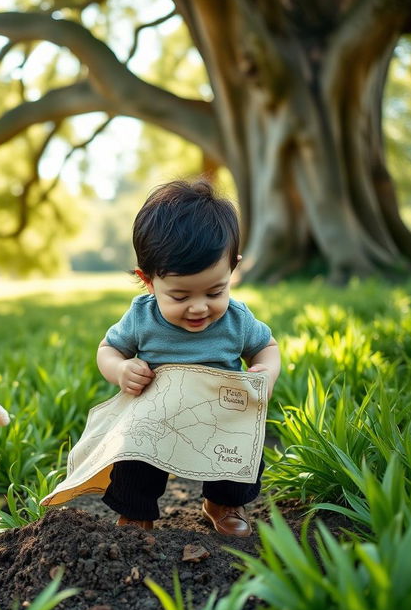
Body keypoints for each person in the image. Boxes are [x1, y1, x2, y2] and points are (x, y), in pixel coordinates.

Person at [96, 178, 280, 537]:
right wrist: (120, 369)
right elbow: (108, 349)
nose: (199, 307)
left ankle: (223, 503)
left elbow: (267, 347)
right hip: (156, 416)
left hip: (221, 415)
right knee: (134, 463)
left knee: (240, 456)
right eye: (179, 296)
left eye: (215, 291)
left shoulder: (237, 320)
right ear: (148, 281)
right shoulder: (142, 317)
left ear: (233, 269)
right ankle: (136, 513)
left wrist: (266, 374)